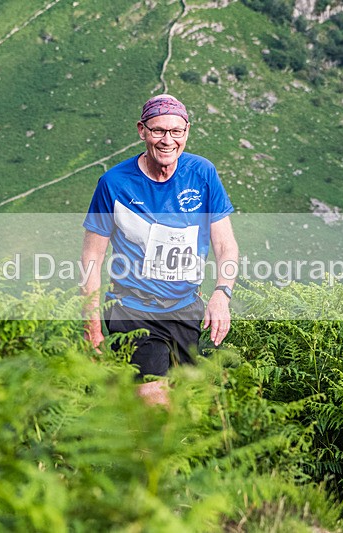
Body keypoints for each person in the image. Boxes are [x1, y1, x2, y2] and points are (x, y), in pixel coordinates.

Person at [80, 94, 238, 405]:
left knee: (185, 408)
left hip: (185, 308)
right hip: (132, 308)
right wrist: (92, 324)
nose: (168, 141)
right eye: (158, 131)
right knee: (154, 402)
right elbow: (92, 257)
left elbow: (225, 244)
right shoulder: (113, 184)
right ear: (142, 130)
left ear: (187, 132)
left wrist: (222, 294)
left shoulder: (203, 174)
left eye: (176, 131)